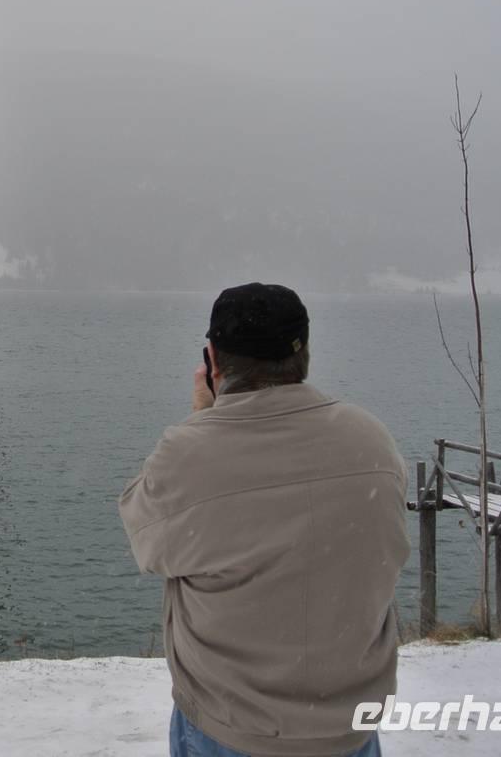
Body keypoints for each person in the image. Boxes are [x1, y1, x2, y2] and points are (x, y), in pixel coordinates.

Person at [119, 282, 408, 757]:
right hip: (350, 730)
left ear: (212, 360)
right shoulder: (371, 441)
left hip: (232, 729)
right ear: (304, 353)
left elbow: (144, 538)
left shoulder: (191, 455)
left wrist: (201, 420)